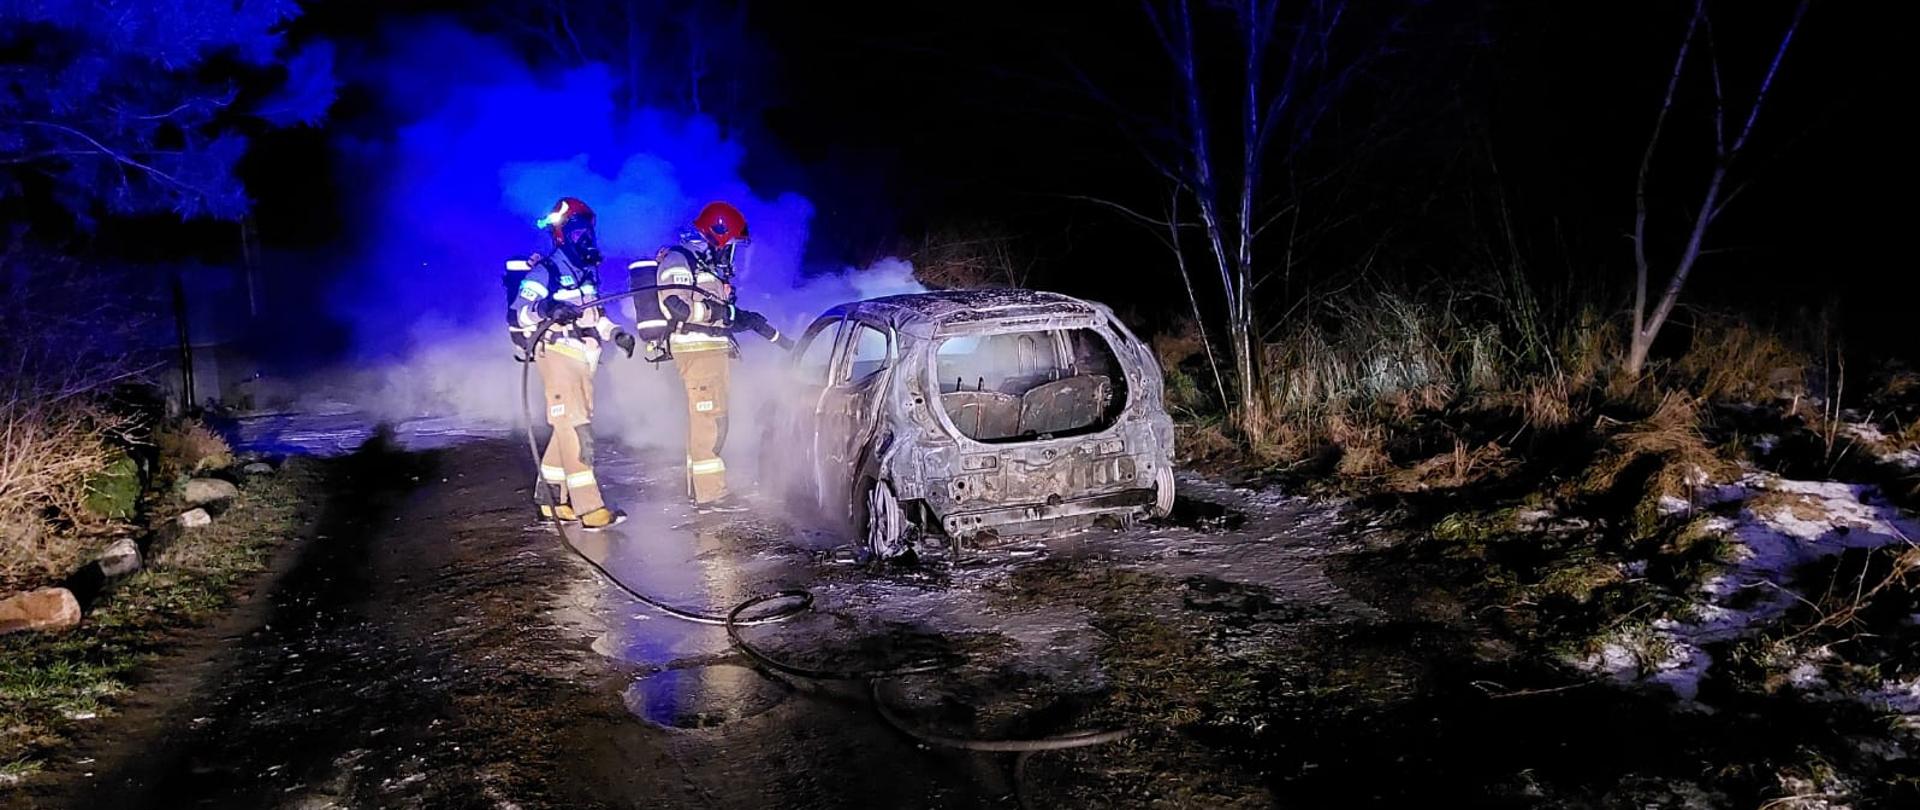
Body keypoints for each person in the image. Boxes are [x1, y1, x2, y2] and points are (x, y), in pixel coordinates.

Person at [627, 201, 786, 507]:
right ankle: (711, 494)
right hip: (696, 352)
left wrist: (742, 318)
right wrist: (720, 313)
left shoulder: (707, 263)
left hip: (712, 350)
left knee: (714, 420)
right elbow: (675, 304)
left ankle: (699, 488)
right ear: (719, 232)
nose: (734, 252)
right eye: (732, 244)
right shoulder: (679, 259)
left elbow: (717, 313)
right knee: (707, 423)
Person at [507, 197, 634, 530]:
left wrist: (617, 334)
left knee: (565, 431)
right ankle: (590, 509)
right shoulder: (544, 270)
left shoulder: (586, 273)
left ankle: (551, 502)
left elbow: (596, 316)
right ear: (562, 234)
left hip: (583, 360)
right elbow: (520, 311)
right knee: (577, 432)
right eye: (578, 230)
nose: (586, 237)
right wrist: (549, 311)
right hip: (558, 356)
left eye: (588, 230)